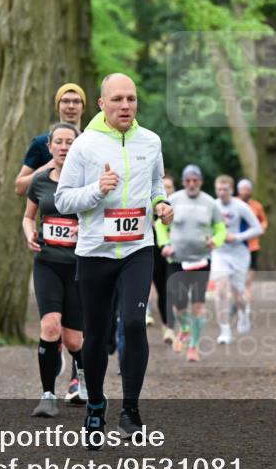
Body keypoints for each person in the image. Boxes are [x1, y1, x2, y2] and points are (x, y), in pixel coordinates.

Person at [55, 73, 173, 448]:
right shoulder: (85, 146)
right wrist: (96, 190)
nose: (126, 106)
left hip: (138, 248)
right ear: (102, 104)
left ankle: (131, 411)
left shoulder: (151, 141)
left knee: (135, 324)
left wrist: (161, 204)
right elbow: (63, 200)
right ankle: (95, 404)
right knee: (97, 334)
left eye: (132, 99)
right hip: (95, 253)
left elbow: (156, 185)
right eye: (118, 99)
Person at [22, 123, 85, 416]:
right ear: (49, 147)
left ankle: (82, 378)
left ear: (77, 147)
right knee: (49, 326)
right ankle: (47, 395)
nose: (64, 147)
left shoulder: (87, 182)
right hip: (47, 263)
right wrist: (29, 234)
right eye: (58, 142)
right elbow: (27, 217)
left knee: (74, 339)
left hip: (78, 267)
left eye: (69, 142)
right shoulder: (39, 181)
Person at [159, 164, 226, 362]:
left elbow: (221, 229)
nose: (191, 184)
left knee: (198, 306)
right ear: (183, 181)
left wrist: (216, 240)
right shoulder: (173, 199)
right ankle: (185, 327)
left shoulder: (210, 203)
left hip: (201, 260)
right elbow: (159, 225)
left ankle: (194, 346)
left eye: (195, 180)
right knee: (178, 305)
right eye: (188, 180)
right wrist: (164, 243)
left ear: (201, 182)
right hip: (177, 260)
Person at [211, 175, 263, 344]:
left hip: (240, 252)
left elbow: (258, 228)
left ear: (232, 190)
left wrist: (238, 237)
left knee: (237, 292)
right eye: (219, 189)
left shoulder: (241, 207)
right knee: (220, 289)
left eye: (225, 189)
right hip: (220, 253)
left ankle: (244, 311)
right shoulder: (212, 206)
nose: (222, 192)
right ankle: (225, 331)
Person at [15, 83, 86, 197]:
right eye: (65, 101)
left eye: (77, 101)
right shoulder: (41, 143)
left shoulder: (91, 142)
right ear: (57, 107)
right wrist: (48, 167)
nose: (71, 106)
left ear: (83, 108)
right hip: (51, 211)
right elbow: (19, 188)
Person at [236, 178, 268, 314]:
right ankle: (238, 298)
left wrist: (261, 229)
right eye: (242, 190)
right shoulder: (233, 204)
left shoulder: (256, 206)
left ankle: (246, 305)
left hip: (252, 246)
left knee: (249, 276)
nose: (245, 192)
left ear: (251, 191)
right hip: (236, 246)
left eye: (247, 190)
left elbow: (264, 221)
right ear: (238, 191)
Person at [152, 174, 177, 347]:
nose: (166, 190)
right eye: (163, 186)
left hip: (168, 253)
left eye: (168, 187)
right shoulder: (148, 204)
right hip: (148, 251)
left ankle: (169, 326)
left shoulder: (176, 206)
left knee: (165, 290)